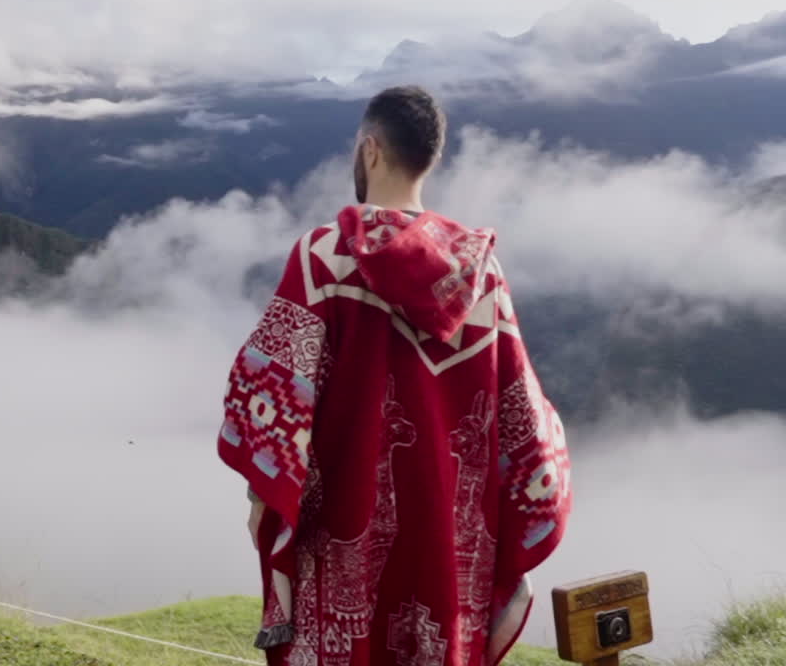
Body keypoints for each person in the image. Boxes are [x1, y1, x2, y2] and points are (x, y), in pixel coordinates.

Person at [217, 86, 572, 666]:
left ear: (371, 150)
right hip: (449, 548)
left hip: (341, 533)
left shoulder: (321, 260)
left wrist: (267, 496)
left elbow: (270, 403)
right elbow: (522, 418)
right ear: (429, 159)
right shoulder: (482, 274)